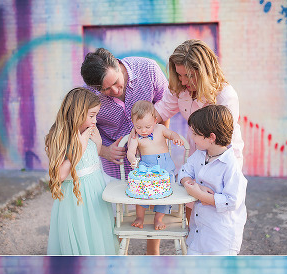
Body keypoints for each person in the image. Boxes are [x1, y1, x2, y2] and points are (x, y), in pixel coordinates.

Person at [80, 47, 169, 255]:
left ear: (117, 64)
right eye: (106, 90)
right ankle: (119, 253)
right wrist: (103, 150)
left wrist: (161, 142)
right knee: (115, 214)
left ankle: (152, 253)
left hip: (151, 159)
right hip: (114, 162)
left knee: (153, 206)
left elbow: (165, 105)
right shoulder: (87, 93)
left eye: (116, 83)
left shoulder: (148, 69)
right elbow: (84, 128)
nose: (115, 91)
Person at [45, 88, 118, 255]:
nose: (95, 121)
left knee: (97, 230)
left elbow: (91, 158)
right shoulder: (60, 137)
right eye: (91, 116)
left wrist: (98, 143)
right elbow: (60, 175)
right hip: (76, 196)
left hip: (95, 190)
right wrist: (81, 145)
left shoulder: (88, 132)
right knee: (81, 230)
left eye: (96, 116)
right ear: (77, 113)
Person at [155, 39, 244, 163]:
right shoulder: (180, 88)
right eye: (179, 75)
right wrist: (137, 129)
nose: (183, 81)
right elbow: (158, 112)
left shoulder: (225, 96)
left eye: (189, 76)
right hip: (194, 156)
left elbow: (224, 141)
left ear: (205, 72)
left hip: (222, 160)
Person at [179, 105, 247, 255]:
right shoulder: (200, 154)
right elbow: (184, 171)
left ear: (211, 137)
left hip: (221, 238)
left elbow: (232, 200)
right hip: (199, 232)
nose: (192, 137)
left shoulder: (230, 165)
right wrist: (193, 185)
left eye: (195, 134)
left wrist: (200, 195)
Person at [126, 100, 185, 232]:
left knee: (166, 194)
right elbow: (130, 151)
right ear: (133, 123)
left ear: (155, 120)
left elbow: (171, 134)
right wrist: (133, 159)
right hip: (147, 168)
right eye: (138, 127)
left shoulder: (160, 129)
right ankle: (140, 217)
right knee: (141, 192)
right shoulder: (135, 136)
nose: (143, 131)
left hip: (165, 167)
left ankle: (158, 218)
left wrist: (176, 138)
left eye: (147, 126)